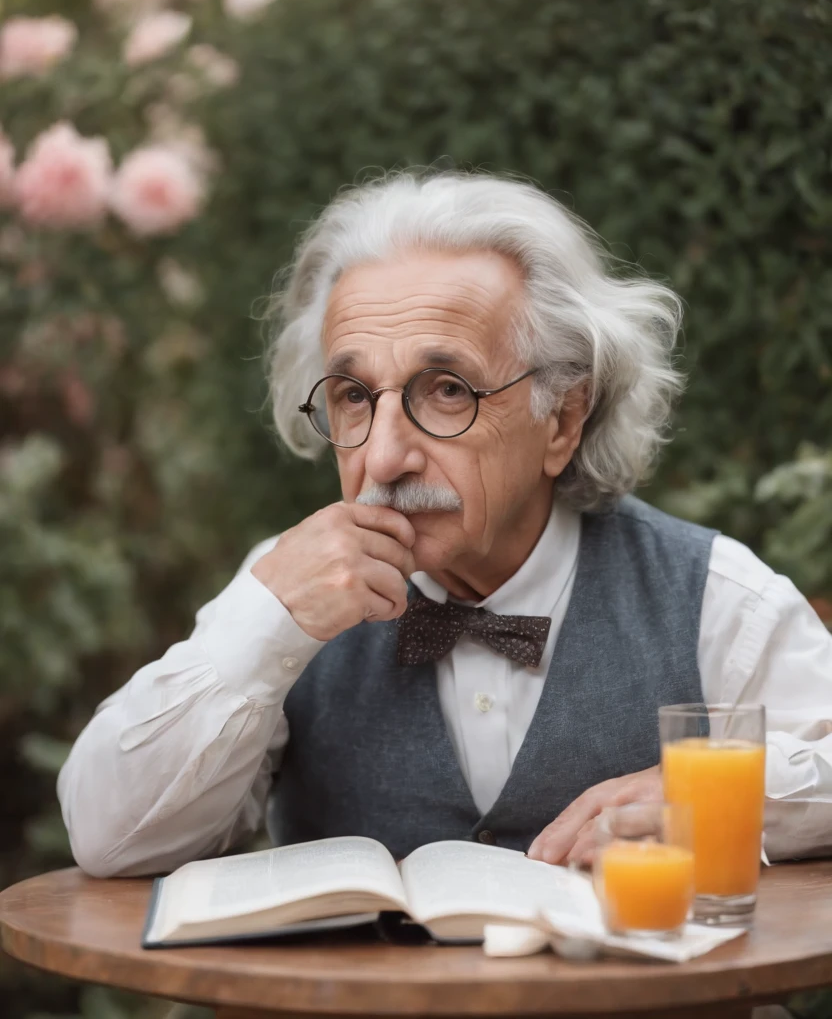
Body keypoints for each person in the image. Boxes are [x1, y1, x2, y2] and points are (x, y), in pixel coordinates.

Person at [59, 171, 832, 878]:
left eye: (447, 391)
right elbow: (105, 838)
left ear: (562, 418)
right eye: (355, 397)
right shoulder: (282, 595)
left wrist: (722, 799)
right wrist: (262, 628)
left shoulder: (710, 595)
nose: (386, 458)